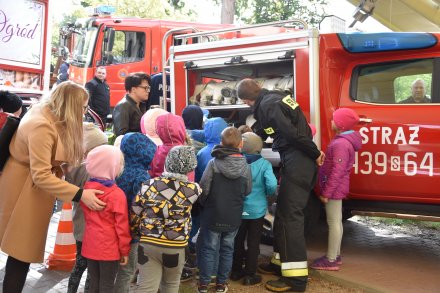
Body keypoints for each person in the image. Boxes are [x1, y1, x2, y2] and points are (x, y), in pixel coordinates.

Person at [0, 81, 106, 293]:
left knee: (20, 253)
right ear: (71, 105)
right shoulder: (42, 125)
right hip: (24, 189)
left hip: (25, 185)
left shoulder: (46, 111)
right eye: (84, 107)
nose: (85, 112)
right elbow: (41, 175)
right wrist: (80, 194)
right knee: (21, 254)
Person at [236, 78, 324, 292]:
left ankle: (295, 280)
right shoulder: (276, 97)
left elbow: (290, 134)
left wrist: (315, 153)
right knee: (282, 214)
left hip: (299, 159)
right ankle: (279, 263)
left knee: (289, 219)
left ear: (248, 100)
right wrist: (255, 131)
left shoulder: (268, 105)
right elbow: (272, 129)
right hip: (296, 160)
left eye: (246, 103)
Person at [131, 146, 202, 293]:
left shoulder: (148, 185)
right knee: (170, 285)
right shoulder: (194, 190)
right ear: (191, 167)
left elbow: (135, 211)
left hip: (148, 244)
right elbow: (196, 213)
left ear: (167, 162)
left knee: (145, 287)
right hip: (175, 246)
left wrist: (136, 233)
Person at [197, 127, 252, 293]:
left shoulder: (214, 163)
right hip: (233, 215)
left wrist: (204, 204)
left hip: (213, 214)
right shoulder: (245, 166)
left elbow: (203, 188)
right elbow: (247, 190)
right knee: (228, 249)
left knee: (208, 248)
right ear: (241, 144)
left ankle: (204, 284)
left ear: (221, 143)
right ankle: (221, 284)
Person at [311, 108, 362, 271]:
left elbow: (337, 171)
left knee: (333, 223)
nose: (331, 121)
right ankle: (335, 255)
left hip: (333, 190)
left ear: (340, 124)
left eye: (334, 119)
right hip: (336, 188)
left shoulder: (341, 143)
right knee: (336, 222)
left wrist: (326, 193)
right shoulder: (343, 140)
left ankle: (331, 259)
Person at [81, 145, 131, 292]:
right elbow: (122, 227)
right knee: (107, 284)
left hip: (90, 244)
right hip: (109, 248)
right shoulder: (117, 194)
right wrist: (125, 251)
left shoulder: (86, 189)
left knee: (94, 282)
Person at [230, 132, 277, 286]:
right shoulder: (264, 164)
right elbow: (271, 185)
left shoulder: (237, 162)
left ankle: (236, 271)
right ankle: (250, 275)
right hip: (256, 211)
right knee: (253, 242)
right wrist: (267, 196)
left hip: (239, 209)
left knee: (237, 240)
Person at [67, 122, 109, 293]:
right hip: (92, 227)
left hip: (79, 225)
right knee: (92, 267)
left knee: (79, 263)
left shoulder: (74, 165)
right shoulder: (92, 170)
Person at [114, 133, 157, 293]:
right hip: (130, 233)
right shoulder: (141, 176)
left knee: (113, 269)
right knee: (126, 271)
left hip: (113, 226)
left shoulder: (118, 169)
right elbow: (140, 209)